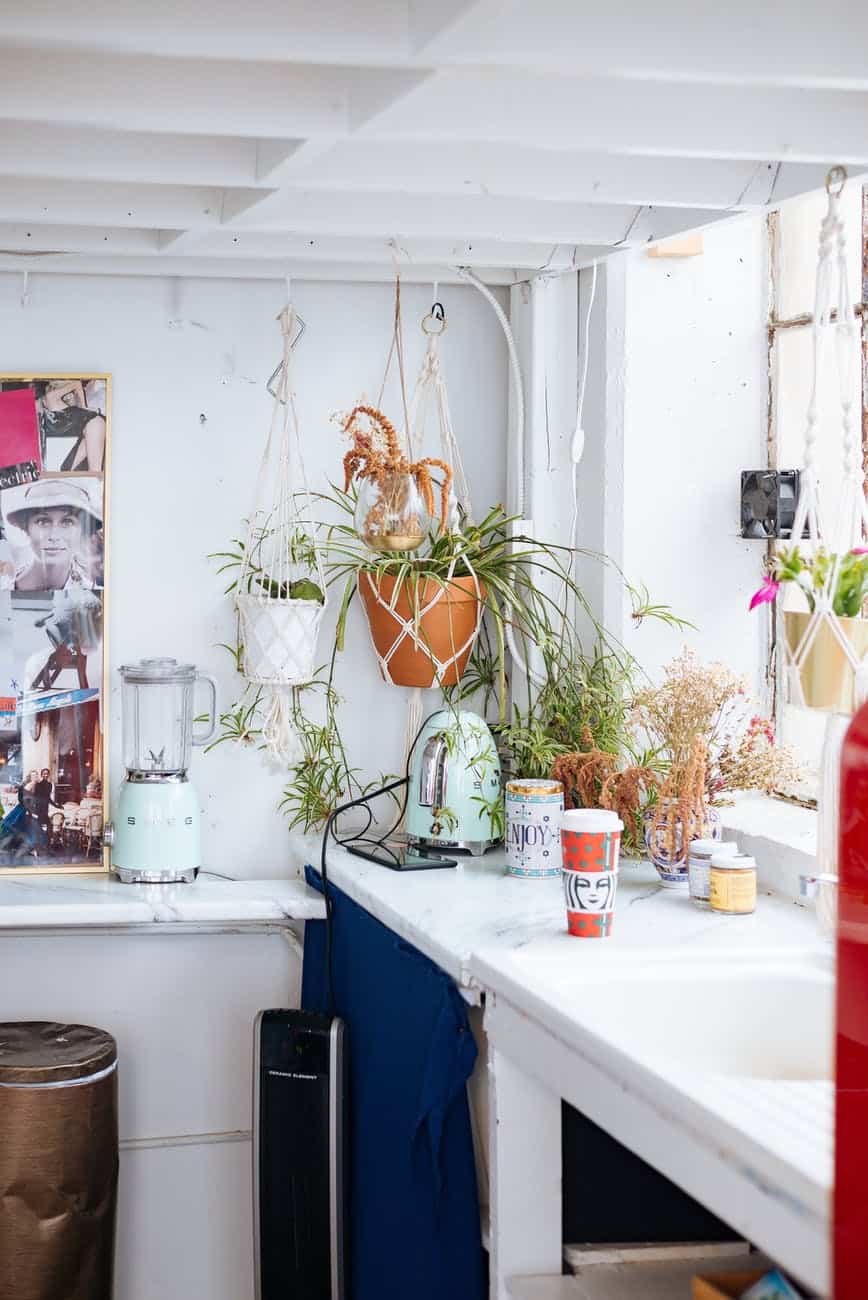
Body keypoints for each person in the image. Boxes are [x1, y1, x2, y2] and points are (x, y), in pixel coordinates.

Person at [1, 479, 102, 591]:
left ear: (83, 531)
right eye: (42, 522)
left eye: (67, 522)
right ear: (26, 527)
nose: (54, 536)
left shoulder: (94, 600)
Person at [38, 379, 106, 472]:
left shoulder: (51, 399)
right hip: (73, 429)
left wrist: (84, 407)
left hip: (79, 422)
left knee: (95, 424)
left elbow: (76, 383)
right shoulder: (50, 403)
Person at [33, 768, 62, 844]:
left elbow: (48, 798)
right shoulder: (38, 785)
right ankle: (39, 843)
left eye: (47, 774)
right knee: (40, 826)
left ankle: (46, 843)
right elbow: (35, 797)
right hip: (39, 808)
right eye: (44, 773)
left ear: (49, 775)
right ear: (41, 775)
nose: (45, 775)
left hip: (45, 808)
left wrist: (56, 805)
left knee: (48, 826)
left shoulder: (49, 785)